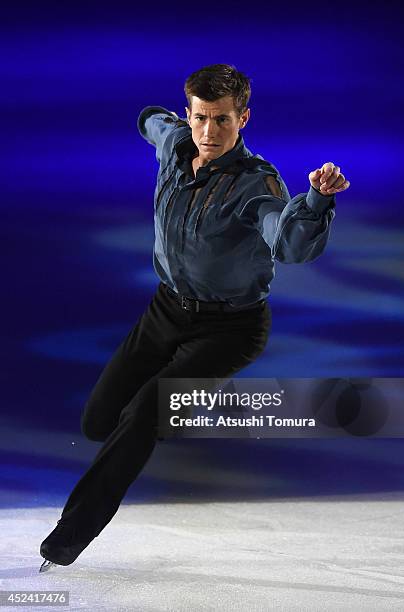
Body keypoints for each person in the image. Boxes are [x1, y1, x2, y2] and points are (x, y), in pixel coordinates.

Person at [39, 63, 350, 572]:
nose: (209, 133)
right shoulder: (177, 143)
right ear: (189, 115)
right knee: (99, 420)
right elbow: (151, 121)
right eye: (201, 118)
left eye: (222, 120)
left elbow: (288, 244)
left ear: (243, 118)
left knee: (143, 416)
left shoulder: (259, 184)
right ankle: (183, 408)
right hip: (166, 311)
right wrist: (152, 120)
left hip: (231, 328)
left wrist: (316, 200)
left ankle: (66, 539)